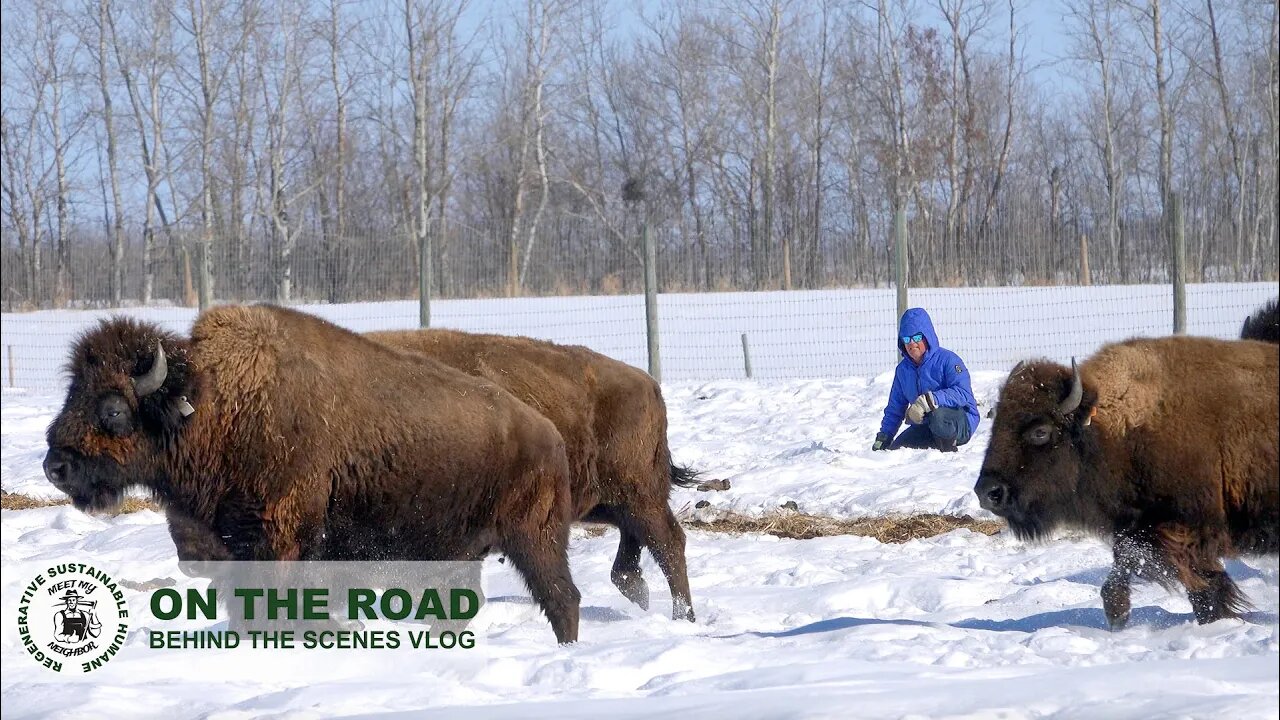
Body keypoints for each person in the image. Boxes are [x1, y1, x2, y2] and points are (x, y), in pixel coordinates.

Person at [871, 307, 979, 453]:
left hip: (961, 422)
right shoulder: (903, 370)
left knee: (938, 416)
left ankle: (947, 456)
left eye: (916, 338)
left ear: (927, 337)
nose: (911, 344)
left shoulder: (948, 360)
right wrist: (884, 436)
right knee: (898, 449)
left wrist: (928, 401)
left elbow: (963, 393)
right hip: (926, 426)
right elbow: (895, 408)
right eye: (907, 339)